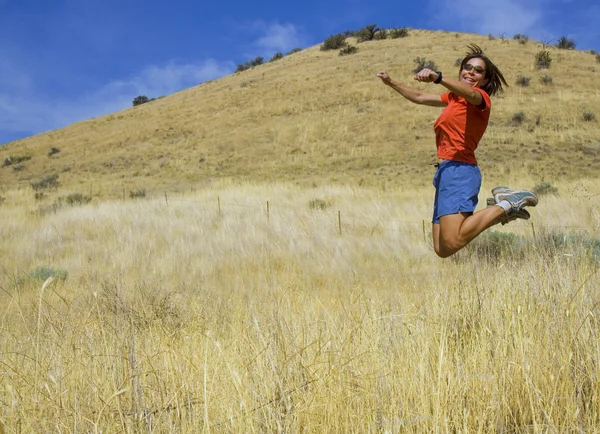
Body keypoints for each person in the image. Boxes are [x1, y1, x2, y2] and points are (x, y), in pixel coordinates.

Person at [377, 44, 538, 258]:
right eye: (467, 67)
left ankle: (509, 203)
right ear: (460, 71)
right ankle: (501, 210)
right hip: (445, 172)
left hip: (461, 170)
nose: (471, 72)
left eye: (478, 70)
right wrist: (390, 82)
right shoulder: (453, 99)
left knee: (452, 241)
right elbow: (419, 96)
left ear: (486, 80)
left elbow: (471, 93)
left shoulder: (480, 99)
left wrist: (438, 77)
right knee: (442, 248)